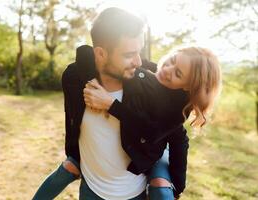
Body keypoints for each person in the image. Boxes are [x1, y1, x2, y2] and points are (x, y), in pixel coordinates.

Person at [33, 7, 148, 200]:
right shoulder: (73, 79)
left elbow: (161, 131)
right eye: (129, 54)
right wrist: (75, 157)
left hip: (135, 192)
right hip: (91, 191)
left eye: (139, 52)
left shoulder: (147, 82)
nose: (138, 61)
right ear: (101, 54)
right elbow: (73, 122)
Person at [82, 44, 221, 199]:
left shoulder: (179, 107)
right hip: (100, 161)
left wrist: (110, 104)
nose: (167, 70)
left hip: (151, 151)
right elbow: (88, 53)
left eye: (178, 74)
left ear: (188, 86)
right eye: (172, 60)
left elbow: (151, 131)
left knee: (162, 188)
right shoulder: (152, 68)